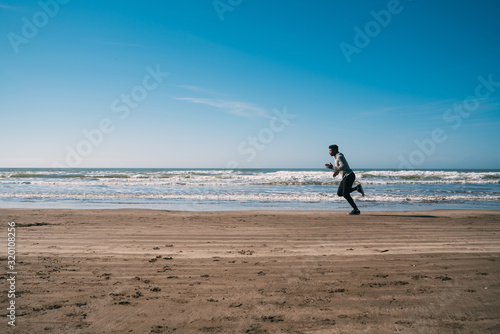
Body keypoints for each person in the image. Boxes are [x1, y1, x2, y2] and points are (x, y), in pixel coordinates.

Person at [325, 144, 364, 215]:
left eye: (330, 150)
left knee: (345, 194)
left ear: (334, 150)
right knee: (340, 193)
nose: (329, 152)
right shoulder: (336, 157)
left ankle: (356, 210)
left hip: (349, 176)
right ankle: (357, 188)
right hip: (346, 177)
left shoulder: (339, 156)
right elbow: (340, 166)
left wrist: (333, 168)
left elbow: (344, 166)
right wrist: (336, 172)